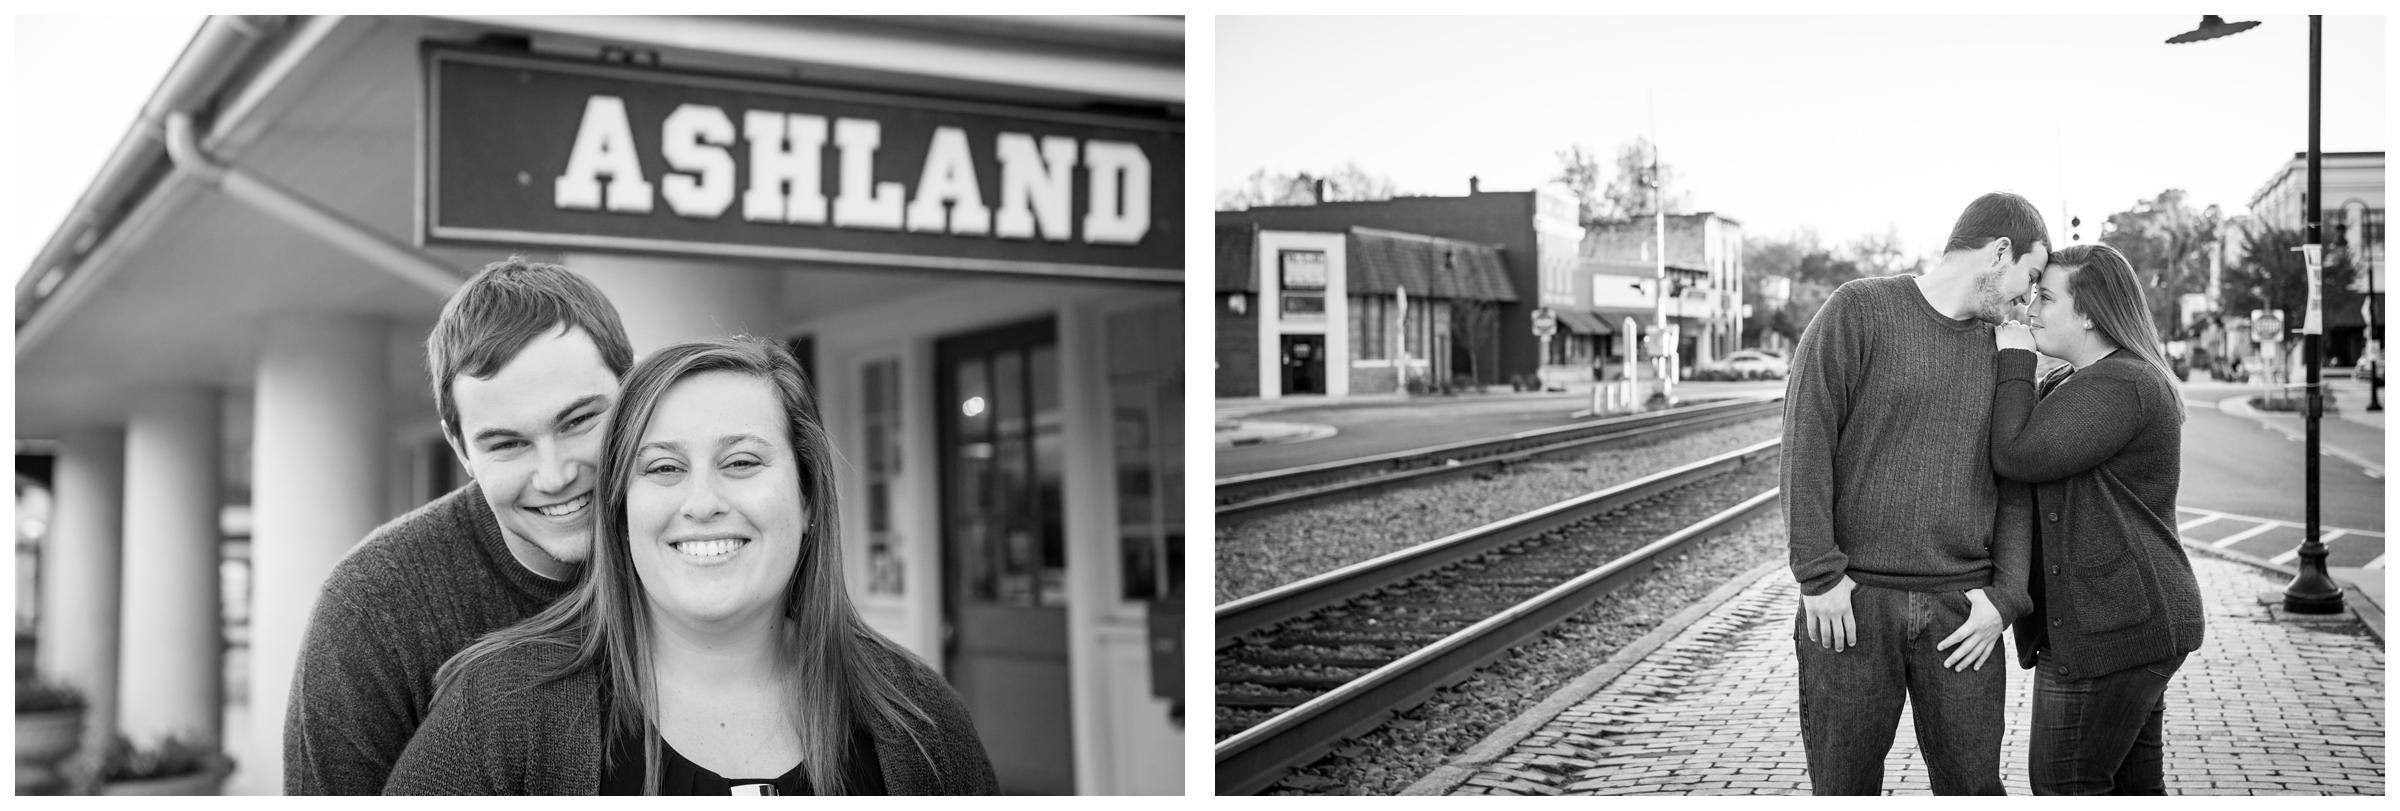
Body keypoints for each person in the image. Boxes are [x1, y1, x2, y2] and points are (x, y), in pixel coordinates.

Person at [386, 336, 997, 795]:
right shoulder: (499, 712)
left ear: (808, 497)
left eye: (741, 462)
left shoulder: (920, 721)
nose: (702, 503)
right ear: (622, 511)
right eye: (663, 469)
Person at [285, 257, 633, 794]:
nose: (556, 474)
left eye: (580, 421)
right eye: (509, 444)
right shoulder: (372, 606)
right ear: (460, 447)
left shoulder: (689, 541)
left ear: (632, 397)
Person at [1782, 192, 2046, 795]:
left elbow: (2014, 487)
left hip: (1962, 614)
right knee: (1844, 791)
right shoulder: (1860, 310)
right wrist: (1818, 575)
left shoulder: (2008, 354)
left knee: (1973, 791)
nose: (2025, 300)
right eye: (2028, 278)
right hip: (1852, 607)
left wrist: (2004, 599)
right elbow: (1805, 440)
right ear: (1999, 252)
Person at [1991, 243, 2203, 795]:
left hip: (2112, 629)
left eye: (2046, 297)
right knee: (2132, 789)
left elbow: (2017, 454)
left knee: (2066, 784)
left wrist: (2012, 356)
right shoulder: (2074, 381)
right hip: (2121, 621)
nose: (2030, 308)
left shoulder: (2120, 384)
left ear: (2088, 312)